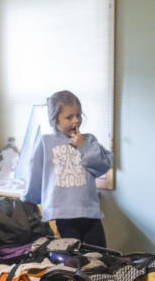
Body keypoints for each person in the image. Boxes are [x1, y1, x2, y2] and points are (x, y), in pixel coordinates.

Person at [22, 90, 113, 247]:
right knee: (72, 255)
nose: (76, 121)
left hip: (89, 211)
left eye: (78, 115)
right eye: (69, 117)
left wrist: (83, 145)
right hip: (64, 214)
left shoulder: (88, 140)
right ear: (54, 120)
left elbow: (104, 165)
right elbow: (35, 173)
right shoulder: (45, 141)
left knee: (100, 252)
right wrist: (29, 201)